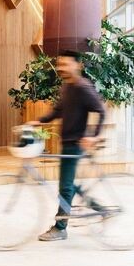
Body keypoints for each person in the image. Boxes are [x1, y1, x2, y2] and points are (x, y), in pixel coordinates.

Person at [29, 51, 106, 241]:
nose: (61, 68)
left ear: (77, 65)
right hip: (67, 143)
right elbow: (57, 111)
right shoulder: (67, 87)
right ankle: (99, 208)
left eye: (65, 64)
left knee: (65, 188)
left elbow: (101, 110)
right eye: (60, 64)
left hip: (75, 144)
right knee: (69, 185)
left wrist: (94, 136)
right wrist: (38, 121)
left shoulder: (82, 87)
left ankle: (60, 228)